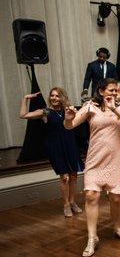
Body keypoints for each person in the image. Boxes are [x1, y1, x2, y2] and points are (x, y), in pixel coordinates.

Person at [64, 78, 120, 257]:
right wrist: (68, 118)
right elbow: (70, 126)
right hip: (96, 158)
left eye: (115, 90)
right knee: (91, 195)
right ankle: (91, 237)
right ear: (101, 91)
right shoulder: (90, 106)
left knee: (116, 198)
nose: (114, 93)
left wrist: (114, 109)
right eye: (111, 90)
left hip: (116, 158)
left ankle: (117, 227)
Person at [20, 88, 84, 217]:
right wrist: (25, 98)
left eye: (57, 96)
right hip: (55, 147)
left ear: (62, 98)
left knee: (73, 175)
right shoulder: (45, 112)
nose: (54, 98)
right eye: (52, 95)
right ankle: (66, 204)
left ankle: (72, 202)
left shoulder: (68, 110)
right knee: (64, 177)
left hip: (70, 144)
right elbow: (23, 115)